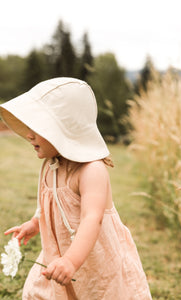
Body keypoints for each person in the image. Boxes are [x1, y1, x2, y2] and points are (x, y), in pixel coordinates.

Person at [0, 78, 152, 300]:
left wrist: (71, 260)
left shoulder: (91, 170)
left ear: (64, 129)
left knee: (98, 293)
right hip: (57, 255)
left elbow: (93, 218)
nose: (29, 135)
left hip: (97, 260)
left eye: (37, 129)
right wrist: (35, 222)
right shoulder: (51, 165)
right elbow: (49, 203)